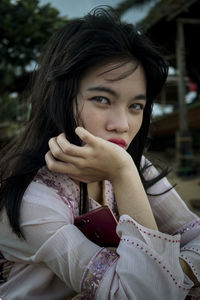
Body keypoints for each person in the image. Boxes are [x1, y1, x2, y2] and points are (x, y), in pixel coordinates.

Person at [0, 8, 200, 300]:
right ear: (60, 100)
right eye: (102, 99)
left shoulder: (132, 167)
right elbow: (148, 295)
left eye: (135, 106)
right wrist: (123, 173)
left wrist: (176, 268)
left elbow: (194, 234)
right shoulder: (36, 200)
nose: (121, 125)